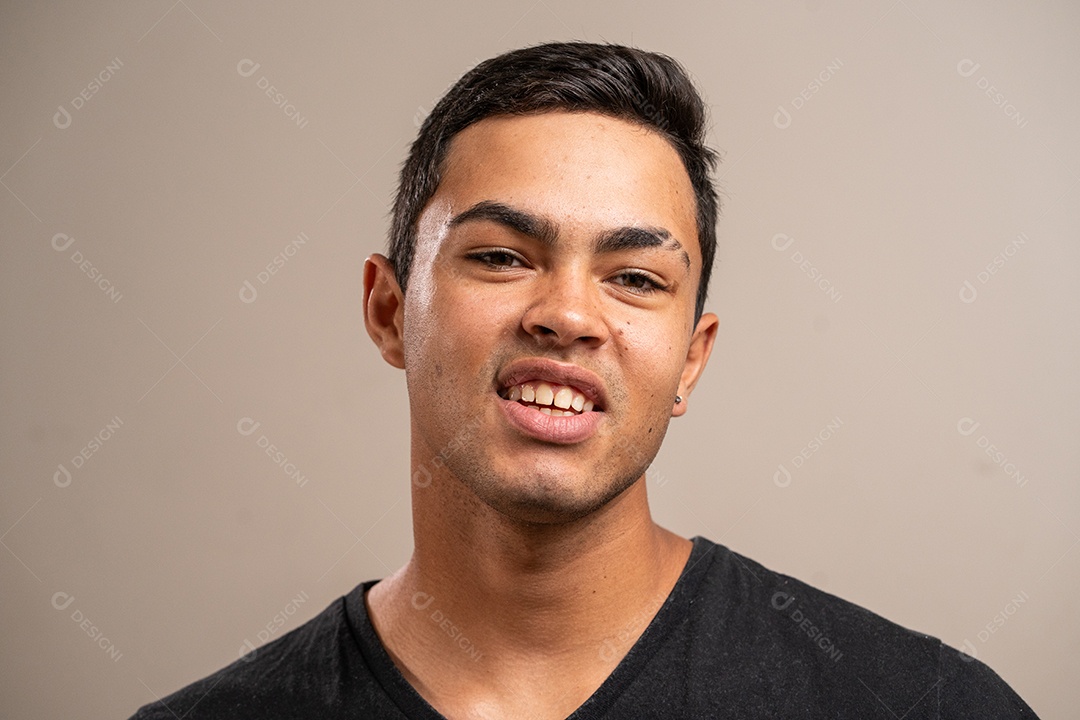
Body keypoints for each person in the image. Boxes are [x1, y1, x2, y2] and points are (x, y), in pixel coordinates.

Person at [130, 41, 1038, 719]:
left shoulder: (922, 705)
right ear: (386, 310)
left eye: (635, 278)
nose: (567, 315)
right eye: (500, 255)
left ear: (691, 358)